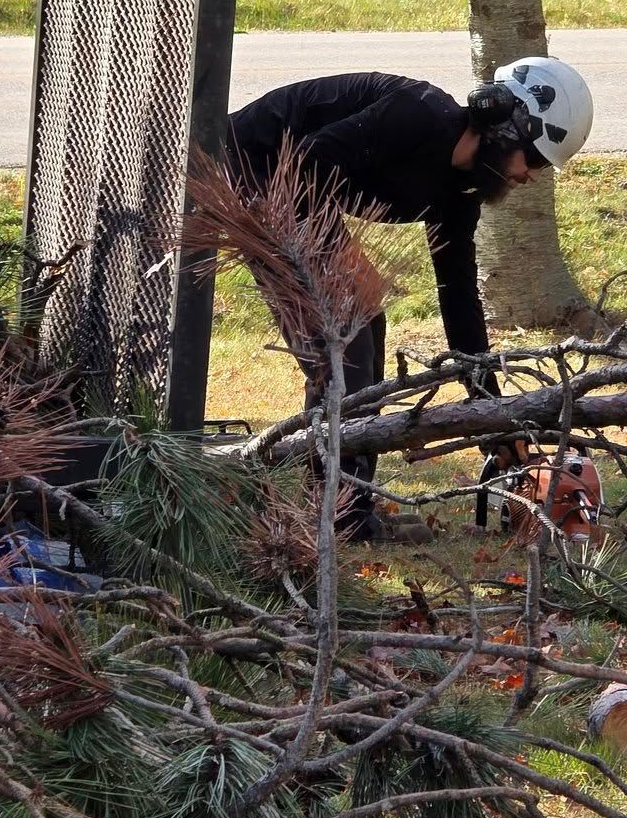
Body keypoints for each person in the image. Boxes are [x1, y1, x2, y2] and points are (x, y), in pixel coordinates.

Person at [222, 57, 594, 541]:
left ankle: (338, 505)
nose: (531, 176)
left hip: (289, 188)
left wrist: (494, 415)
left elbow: (459, 300)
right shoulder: (417, 116)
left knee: (361, 326)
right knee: (349, 335)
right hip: (251, 174)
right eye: (536, 159)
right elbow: (305, 164)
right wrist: (343, 261)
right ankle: (337, 518)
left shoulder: (459, 191)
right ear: (507, 125)